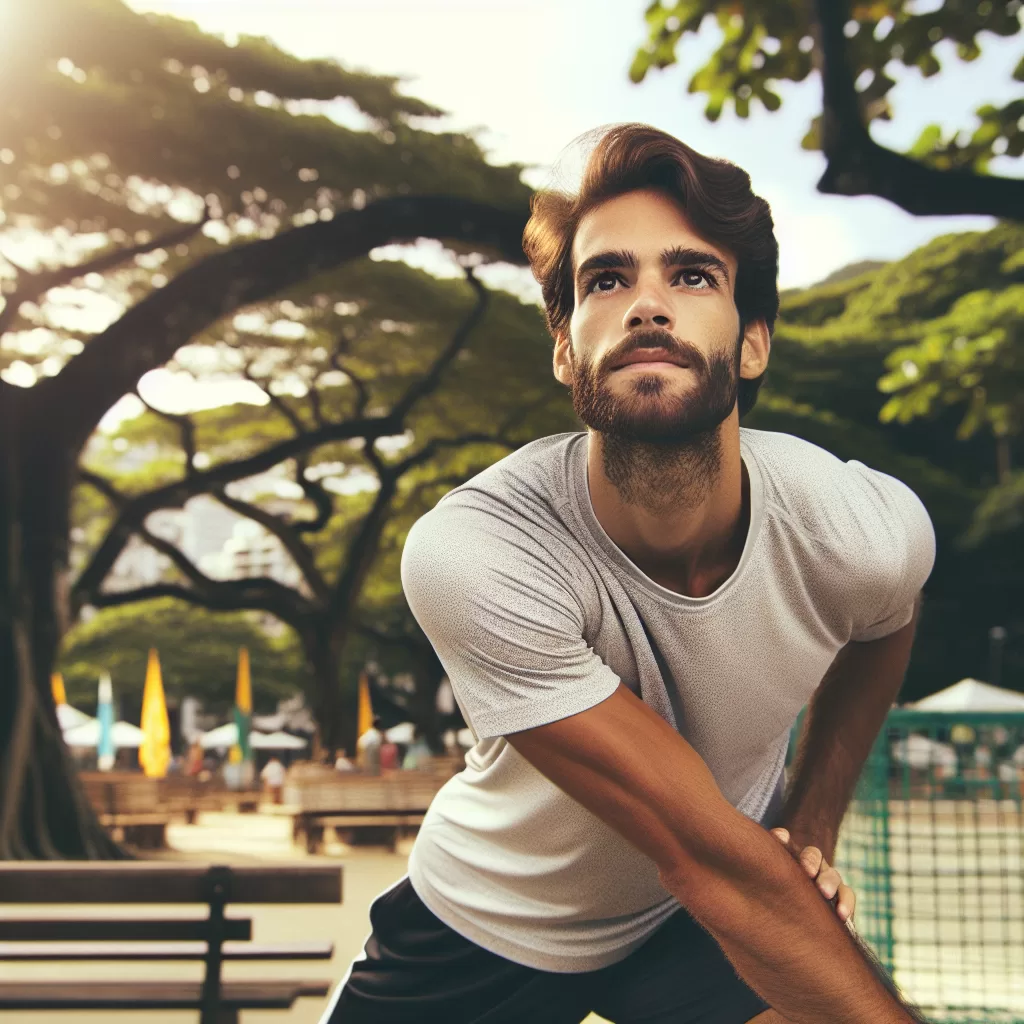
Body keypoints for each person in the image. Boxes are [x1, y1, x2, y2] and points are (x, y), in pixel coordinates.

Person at [322, 125, 936, 1024]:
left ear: (754, 341)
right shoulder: (479, 548)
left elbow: (889, 622)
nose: (649, 304)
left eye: (692, 275)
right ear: (566, 347)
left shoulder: (858, 527)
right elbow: (705, 852)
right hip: (492, 917)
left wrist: (811, 821)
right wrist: (766, 852)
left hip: (687, 916)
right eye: (606, 280)